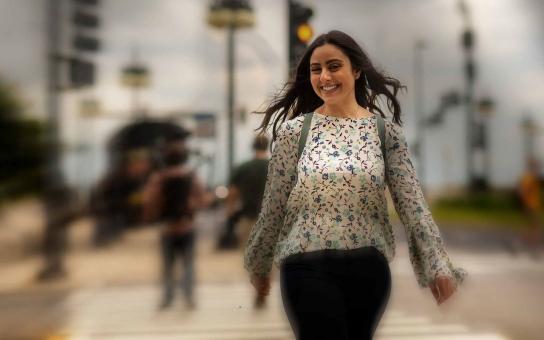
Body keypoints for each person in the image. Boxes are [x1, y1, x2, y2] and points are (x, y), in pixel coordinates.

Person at [244, 30, 466, 340]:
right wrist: (260, 261)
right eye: (316, 69)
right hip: (305, 266)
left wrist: (436, 265)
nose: (324, 77)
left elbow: (412, 204)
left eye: (334, 66)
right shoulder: (295, 132)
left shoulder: (384, 133)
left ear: (356, 70)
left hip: (368, 270)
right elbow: (274, 204)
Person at [142, 131, 210, 310]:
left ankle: (168, 297)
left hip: (167, 228)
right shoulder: (191, 176)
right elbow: (203, 200)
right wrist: (192, 206)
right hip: (187, 226)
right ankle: (188, 297)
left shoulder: (159, 178)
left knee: (168, 266)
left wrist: (151, 217)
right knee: (188, 264)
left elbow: (150, 201)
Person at [224, 134, 270, 306]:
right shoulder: (273, 166)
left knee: (250, 256)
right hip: (269, 220)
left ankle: (258, 285)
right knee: (266, 255)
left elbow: (233, 193)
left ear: (252, 147)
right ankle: (263, 284)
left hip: (247, 217)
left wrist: (229, 211)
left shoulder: (243, 168)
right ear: (267, 146)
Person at [518, 158, 542, 256]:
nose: (538, 168)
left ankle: (527, 243)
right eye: (536, 166)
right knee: (535, 226)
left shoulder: (530, 177)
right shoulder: (529, 178)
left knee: (533, 226)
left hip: (532, 205)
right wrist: (525, 203)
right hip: (530, 206)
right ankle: (529, 245)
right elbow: (522, 191)